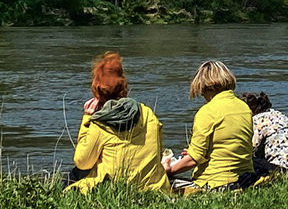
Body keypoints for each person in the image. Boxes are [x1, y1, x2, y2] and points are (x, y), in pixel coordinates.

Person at [65, 52, 170, 194]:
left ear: (97, 91)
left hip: (115, 190)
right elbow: (157, 151)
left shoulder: (100, 124)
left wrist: (87, 118)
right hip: (155, 189)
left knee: (72, 178)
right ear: (124, 87)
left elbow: (82, 162)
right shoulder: (148, 113)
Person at [162, 61, 253, 190]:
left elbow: (193, 160)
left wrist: (167, 170)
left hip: (215, 183)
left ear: (204, 86)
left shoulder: (207, 111)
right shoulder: (244, 107)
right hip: (244, 179)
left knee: (158, 182)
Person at [240, 92, 288, 172]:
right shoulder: (278, 114)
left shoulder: (257, 121)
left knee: (248, 162)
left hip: (286, 168)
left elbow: (250, 149)